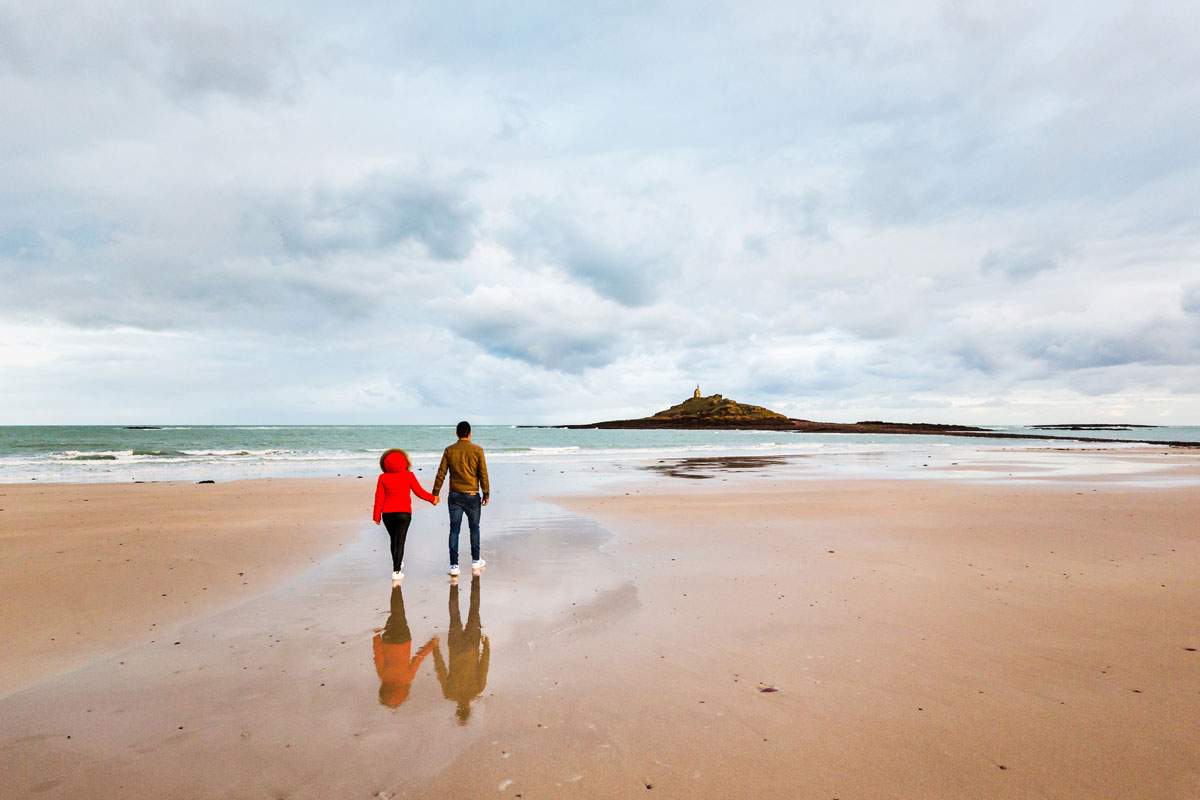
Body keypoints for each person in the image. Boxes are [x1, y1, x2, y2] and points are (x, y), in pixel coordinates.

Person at [431, 421, 489, 577]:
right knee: (474, 528)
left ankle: (454, 565)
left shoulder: (449, 450)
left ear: (457, 433)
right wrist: (486, 493)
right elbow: (482, 474)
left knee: (454, 530)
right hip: (472, 494)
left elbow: (441, 473)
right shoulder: (478, 450)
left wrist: (435, 492)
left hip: (455, 494)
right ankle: (476, 561)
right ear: (469, 433)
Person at [373, 448, 438, 581]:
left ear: (385, 464)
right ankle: (396, 571)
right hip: (404, 513)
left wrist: (376, 516)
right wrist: (433, 499)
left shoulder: (383, 477)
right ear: (405, 462)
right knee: (400, 541)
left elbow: (379, 497)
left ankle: (397, 565)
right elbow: (419, 491)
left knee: (393, 540)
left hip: (387, 514)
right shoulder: (408, 475)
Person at [433, 573, 489, 724]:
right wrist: (435, 649)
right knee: (454, 614)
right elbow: (440, 668)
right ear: (458, 709)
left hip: (471, 646)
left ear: (468, 708)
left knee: (474, 611)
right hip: (457, 647)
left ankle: (466, 584)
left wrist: (486, 645)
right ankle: (454, 586)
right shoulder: (449, 693)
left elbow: (484, 665)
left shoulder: (477, 689)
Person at [372, 583, 437, 708]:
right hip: (388, 639)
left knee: (399, 614)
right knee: (395, 615)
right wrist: (376, 637)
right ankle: (396, 590)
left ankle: (396, 590)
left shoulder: (407, 678)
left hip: (403, 639)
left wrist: (431, 645)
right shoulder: (383, 675)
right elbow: (378, 654)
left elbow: (419, 657)